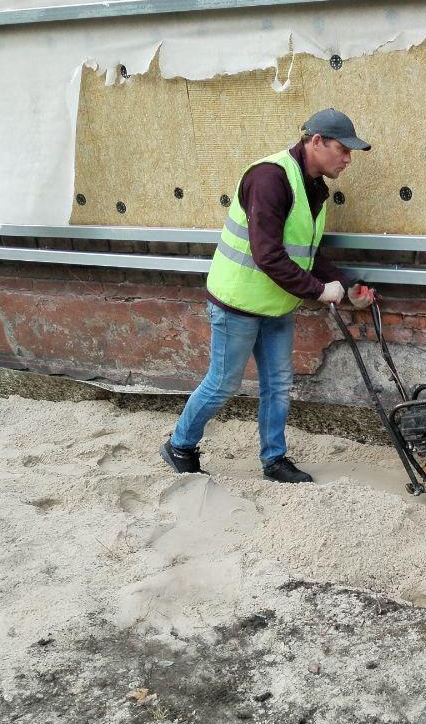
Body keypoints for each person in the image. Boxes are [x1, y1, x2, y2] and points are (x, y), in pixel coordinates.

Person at [161, 108, 375, 483]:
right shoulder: (269, 178)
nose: (347, 159)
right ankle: (180, 445)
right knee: (223, 383)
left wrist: (346, 286)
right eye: (343, 149)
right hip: (238, 304)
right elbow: (268, 255)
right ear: (316, 141)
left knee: (278, 384)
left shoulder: (314, 186)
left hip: (276, 305)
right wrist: (320, 291)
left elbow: (306, 251)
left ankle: (274, 460)